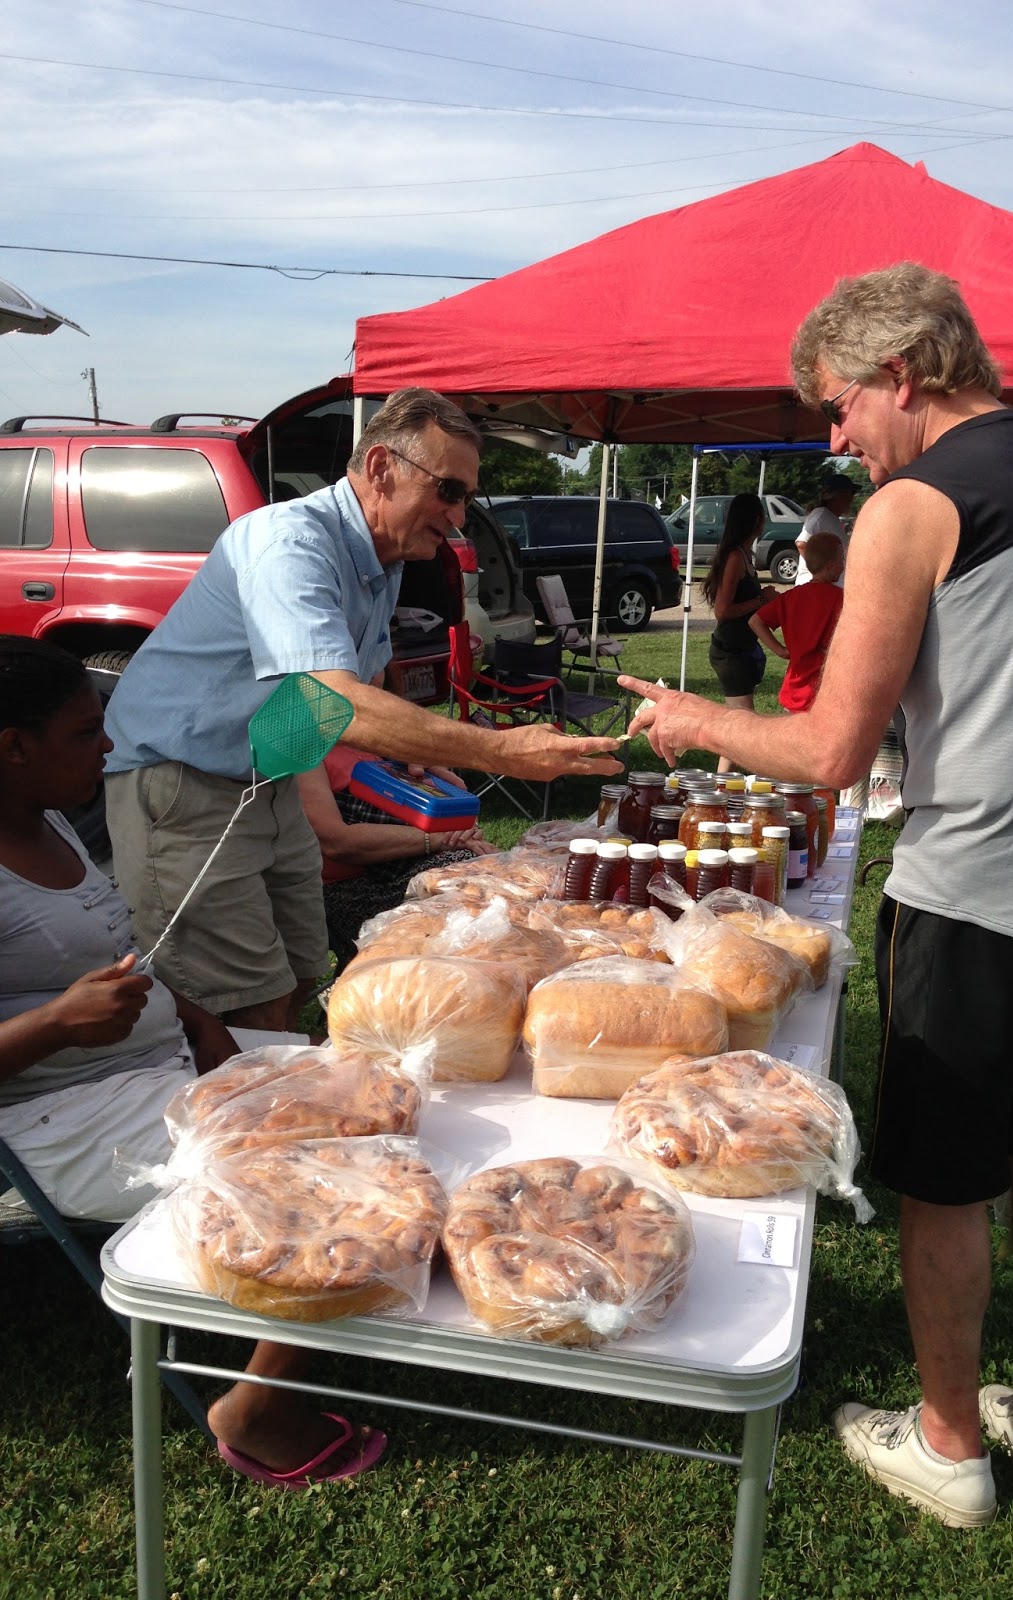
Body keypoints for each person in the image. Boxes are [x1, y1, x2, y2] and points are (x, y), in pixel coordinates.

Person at [620, 262, 1013, 1528]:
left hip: (980, 888)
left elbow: (830, 752)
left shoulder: (913, 505)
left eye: (838, 404)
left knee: (945, 1177)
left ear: (901, 374)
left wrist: (697, 718)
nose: (836, 437)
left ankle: (948, 1441)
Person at [103, 388, 622, 1033]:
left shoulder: (383, 556)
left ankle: (276, 1070)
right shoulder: (289, 540)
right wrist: (501, 751)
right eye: (448, 491)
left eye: (467, 497)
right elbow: (332, 698)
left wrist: (404, 755)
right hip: (184, 785)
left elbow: (340, 695)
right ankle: (233, 1091)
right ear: (381, 469)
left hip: (265, 778)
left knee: (299, 971)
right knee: (232, 1002)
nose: (459, 516)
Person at [0, 636, 387, 1488]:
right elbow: (70, 1005)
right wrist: (56, 1025)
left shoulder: (49, 820)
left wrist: (204, 1023)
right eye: (84, 732)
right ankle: (258, 1409)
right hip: (52, 1116)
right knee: (334, 1178)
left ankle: (325, 1309)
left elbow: (122, 954)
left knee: (376, 1097)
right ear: (13, 746)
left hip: (161, 1063)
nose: (108, 746)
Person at [296, 745, 496, 977]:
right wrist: (440, 839)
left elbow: (456, 796)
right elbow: (337, 842)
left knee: (491, 875)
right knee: (471, 881)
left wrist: (438, 779)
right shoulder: (307, 753)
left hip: (415, 869)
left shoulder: (378, 743)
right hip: (353, 890)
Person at [702, 492, 777, 774]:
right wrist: (761, 599)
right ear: (756, 521)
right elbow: (723, 611)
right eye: (762, 516)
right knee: (742, 726)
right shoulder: (735, 557)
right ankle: (731, 784)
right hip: (730, 652)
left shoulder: (745, 555)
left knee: (740, 723)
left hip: (741, 649)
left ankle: (724, 785)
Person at [749, 532, 844, 713]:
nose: (844, 565)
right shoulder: (840, 599)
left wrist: (781, 650)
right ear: (831, 565)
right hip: (824, 691)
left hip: (794, 691)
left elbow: (755, 621)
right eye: (842, 560)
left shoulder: (791, 597)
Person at [794, 473, 856, 587]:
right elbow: (802, 543)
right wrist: (821, 574)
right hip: (816, 589)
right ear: (838, 495)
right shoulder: (821, 514)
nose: (852, 497)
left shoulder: (830, 517)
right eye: (851, 493)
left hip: (827, 589)